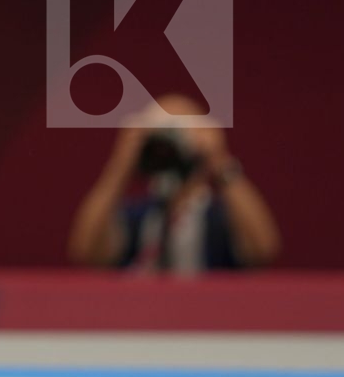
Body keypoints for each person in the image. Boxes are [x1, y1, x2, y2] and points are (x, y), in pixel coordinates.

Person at [67, 97, 279, 273]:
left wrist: (219, 161)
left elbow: (263, 249)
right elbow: (86, 251)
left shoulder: (220, 220)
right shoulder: (137, 218)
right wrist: (121, 165)